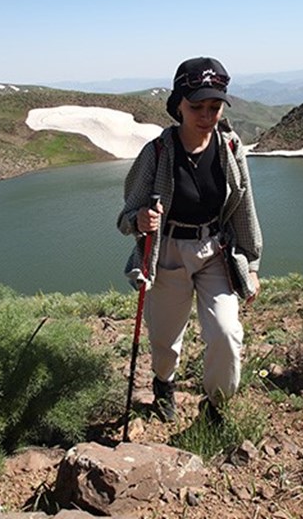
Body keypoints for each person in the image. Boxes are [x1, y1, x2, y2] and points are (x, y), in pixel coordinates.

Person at [117, 56, 263, 423]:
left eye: (214, 106)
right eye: (196, 106)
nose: (206, 115)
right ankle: (164, 384)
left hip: (216, 251)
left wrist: (253, 263)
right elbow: (125, 218)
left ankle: (215, 405)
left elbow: (244, 206)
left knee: (227, 334)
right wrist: (139, 219)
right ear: (178, 105)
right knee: (165, 341)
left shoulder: (230, 147)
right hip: (167, 254)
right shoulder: (158, 152)